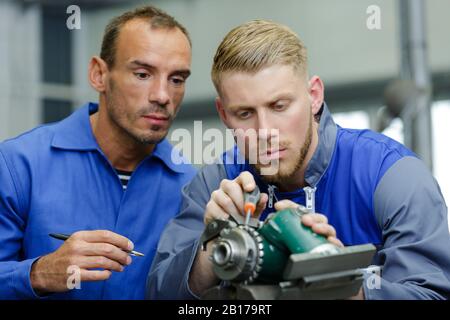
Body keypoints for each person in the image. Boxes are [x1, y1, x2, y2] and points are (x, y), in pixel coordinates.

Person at [147, 20, 450, 300]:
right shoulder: (217, 186)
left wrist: (343, 287)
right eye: (245, 113)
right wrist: (215, 250)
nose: (265, 131)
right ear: (224, 114)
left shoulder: (391, 175)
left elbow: (433, 294)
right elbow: (158, 293)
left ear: (314, 95)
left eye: (279, 106)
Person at [0, 5, 195, 299]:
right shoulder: (18, 164)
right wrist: (38, 273)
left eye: (177, 79)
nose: (163, 96)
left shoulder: (192, 189)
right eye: (143, 74)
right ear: (99, 75)